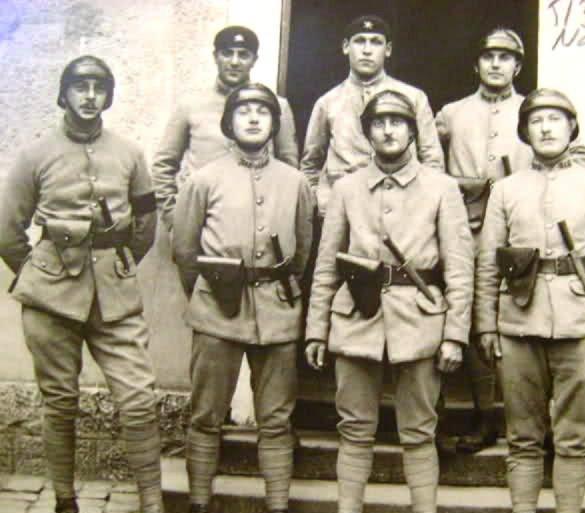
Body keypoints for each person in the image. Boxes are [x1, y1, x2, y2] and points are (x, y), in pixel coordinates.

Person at [0, 56, 183, 513]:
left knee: (139, 399)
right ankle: (66, 507)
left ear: (108, 96)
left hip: (114, 295)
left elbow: (144, 225)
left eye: (99, 87)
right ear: (63, 94)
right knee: (60, 401)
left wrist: (118, 264)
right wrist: (40, 274)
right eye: (79, 86)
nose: (89, 96)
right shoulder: (35, 155)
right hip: (51, 297)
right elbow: (8, 230)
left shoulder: (129, 154)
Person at [304, 90, 473, 513]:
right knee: (354, 427)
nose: (388, 130)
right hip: (356, 318)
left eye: (398, 122)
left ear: (414, 132)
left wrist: (455, 334)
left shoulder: (441, 188)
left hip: (419, 319)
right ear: (367, 132)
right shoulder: (347, 188)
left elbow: (460, 267)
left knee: (419, 429)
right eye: (378, 123)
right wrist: (317, 328)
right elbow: (326, 264)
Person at [474, 89, 585, 513]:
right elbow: (487, 264)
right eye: (536, 120)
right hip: (519, 322)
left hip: (581, 322)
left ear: (571, 128)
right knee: (522, 432)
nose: (545, 128)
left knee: (575, 433)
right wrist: (486, 324)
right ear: (525, 131)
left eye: (555, 119)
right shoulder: (506, 190)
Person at [171, 83, 314, 513]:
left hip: (277, 310)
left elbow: (303, 252)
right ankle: (198, 511)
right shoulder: (204, 180)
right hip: (217, 307)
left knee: (276, 418)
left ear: (274, 124)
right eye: (244, 111)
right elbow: (184, 251)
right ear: (228, 123)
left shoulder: (295, 182)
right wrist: (210, 295)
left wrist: (277, 289)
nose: (253, 119)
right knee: (206, 415)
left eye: (262, 112)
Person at [434, 27, 533, 454]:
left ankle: (526, 419)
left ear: (517, 66)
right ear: (476, 64)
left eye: (505, 57)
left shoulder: (534, 111)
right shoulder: (452, 113)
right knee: (470, 314)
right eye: (489, 56)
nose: (496, 64)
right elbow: (425, 162)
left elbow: (576, 156)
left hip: (518, 231)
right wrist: (461, 186)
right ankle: (483, 415)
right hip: (464, 227)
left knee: (513, 313)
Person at [153, 25, 299, 229]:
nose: (234, 62)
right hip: (200, 217)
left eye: (243, 55)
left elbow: (289, 166)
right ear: (216, 56)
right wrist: (174, 217)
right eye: (227, 53)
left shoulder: (277, 106)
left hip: (254, 219)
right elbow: (163, 164)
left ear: (255, 59)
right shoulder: (190, 105)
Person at [300, 14, 444, 217]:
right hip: (343, 210)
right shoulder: (328, 102)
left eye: (376, 42)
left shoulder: (413, 98)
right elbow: (310, 165)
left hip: (401, 209)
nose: (367, 50)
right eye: (360, 41)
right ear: (346, 47)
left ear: (388, 50)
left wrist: (422, 206)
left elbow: (432, 161)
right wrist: (322, 202)